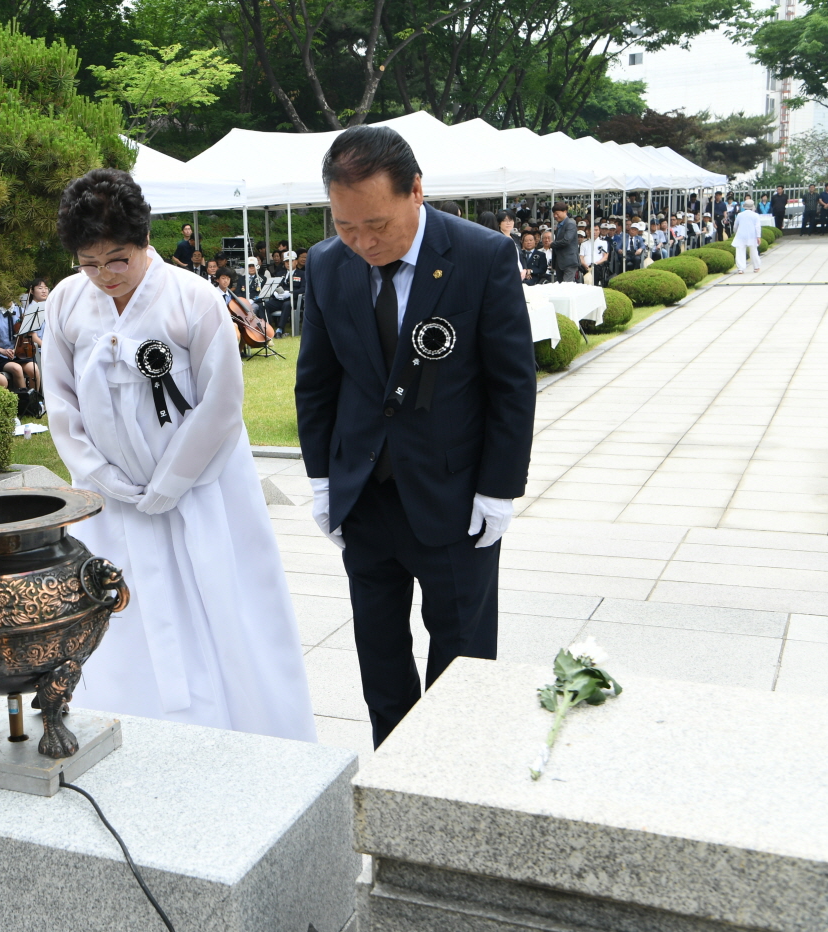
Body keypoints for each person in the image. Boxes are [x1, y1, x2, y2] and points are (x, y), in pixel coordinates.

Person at [42, 167, 315, 740]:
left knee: (221, 605)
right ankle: (133, 727)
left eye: (118, 259)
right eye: (89, 264)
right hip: (113, 500)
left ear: (145, 241)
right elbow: (60, 401)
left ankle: (246, 728)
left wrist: (175, 478)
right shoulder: (68, 302)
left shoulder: (193, 298)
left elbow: (222, 401)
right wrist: (98, 476)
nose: (105, 276)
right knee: (124, 615)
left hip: (200, 492)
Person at [295, 125, 535, 747]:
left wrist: (499, 490)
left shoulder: (480, 256)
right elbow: (317, 384)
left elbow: (512, 384)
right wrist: (321, 481)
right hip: (365, 495)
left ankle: (456, 774)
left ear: (416, 191)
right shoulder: (327, 265)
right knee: (379, 656)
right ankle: (394, 773)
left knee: (462, 658)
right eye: (346, 226)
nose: (364, 242)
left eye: (377, 224)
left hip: (454, 497)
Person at [733, 198, 764, 274]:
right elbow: (757, 227)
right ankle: (756, 267)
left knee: (740, 251)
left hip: (741, 235)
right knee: (753, 251)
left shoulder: (740, 215)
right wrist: (758, 236)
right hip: (752, 235)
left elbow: (735, 226)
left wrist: (735, 232)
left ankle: (741, 268)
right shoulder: (755, 215)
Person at [550, 201, 578, 282]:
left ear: (565, 211)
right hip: (560, 263)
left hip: (569, 262)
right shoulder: (559, 225)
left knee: (566, 287)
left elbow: (566, 241)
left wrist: (552, 244)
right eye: (554, 214)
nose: (555, 216)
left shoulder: (570, 224)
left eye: (557, 213)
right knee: (560, 288)